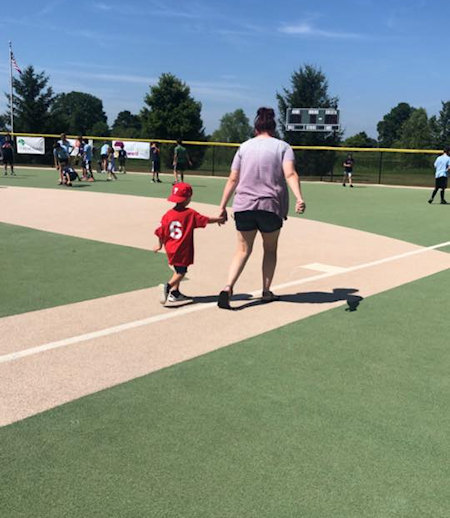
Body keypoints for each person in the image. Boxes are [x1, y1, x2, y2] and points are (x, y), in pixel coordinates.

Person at [216, 107, 306, 310]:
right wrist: (299, 197)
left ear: (256, 128)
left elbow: (233, 178)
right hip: (270, 206)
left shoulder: (244, 147)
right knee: (270, 249)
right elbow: (290, 174)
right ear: (273, 128)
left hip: (244, 206)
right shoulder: (283, 147)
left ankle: (228, 287)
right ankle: (266, 291)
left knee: (242, 250)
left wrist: (222, 207)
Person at [154, 182, 224, 305]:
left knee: (177, 269)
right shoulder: (190, 214)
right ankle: (167, 287)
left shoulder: (168, 214)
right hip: (182, 249)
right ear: (187, 199)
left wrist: (159, 245)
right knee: (181, 272)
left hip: (170, 247)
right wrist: (219, 219)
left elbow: (160, 231)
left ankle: (175, 293)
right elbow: (206, 220)